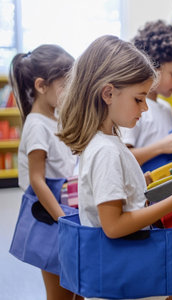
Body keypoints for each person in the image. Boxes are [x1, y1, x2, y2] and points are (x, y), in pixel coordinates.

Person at [57, 35, 172, 300]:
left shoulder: (108, 140)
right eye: (139, 99)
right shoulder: (105, 150)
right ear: (108, 93)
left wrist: (144, 182)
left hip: (123, 277)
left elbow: (118, 196)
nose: (145, 107)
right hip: (121, 282)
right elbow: (113, 226)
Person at [9, 45, 82, 300]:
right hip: (52, 214)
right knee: (60, 293)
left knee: (78, 287)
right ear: (41, 86)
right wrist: (63, 220)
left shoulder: (55, 118)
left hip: (66, 205)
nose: (70, 93)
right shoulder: (37, 125)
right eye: (65, 86)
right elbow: (37, 180)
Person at [121, 20, 172, 166]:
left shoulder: (165, 108)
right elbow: (122, 160)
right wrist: (159, 147)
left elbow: (169, 154)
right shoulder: (133, 107)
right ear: (153, 66)